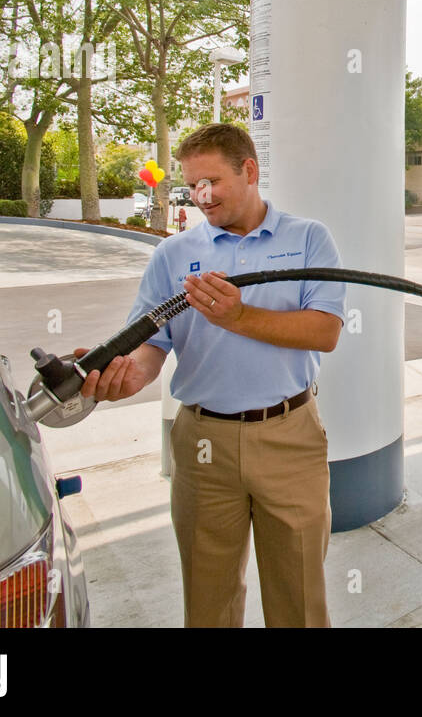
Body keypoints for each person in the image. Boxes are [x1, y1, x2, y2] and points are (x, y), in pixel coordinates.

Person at [76, 123, 346, 627]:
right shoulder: (172, 254)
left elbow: (325, 330)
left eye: (211, 181)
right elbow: (151, 346)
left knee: (300, 594)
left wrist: (238, 317)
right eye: (192, 184)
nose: (200, 195)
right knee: (208, 594)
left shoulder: (308, 238)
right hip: (202, 442)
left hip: (289, 434)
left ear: (250, 170)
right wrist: (124, 377)